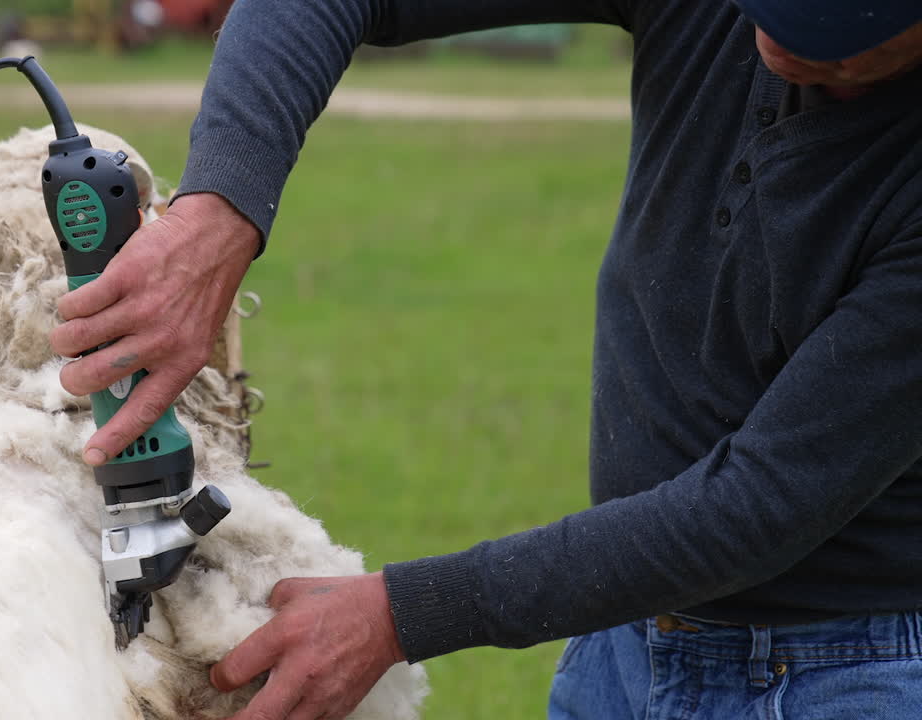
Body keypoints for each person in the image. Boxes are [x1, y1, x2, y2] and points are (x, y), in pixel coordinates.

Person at [48, 1, 922, 717]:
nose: (775, 52)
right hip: (619, 646)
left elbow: (753, 507)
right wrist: (218, 212)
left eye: (847, 54)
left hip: (843, 675)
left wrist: (404, 614)